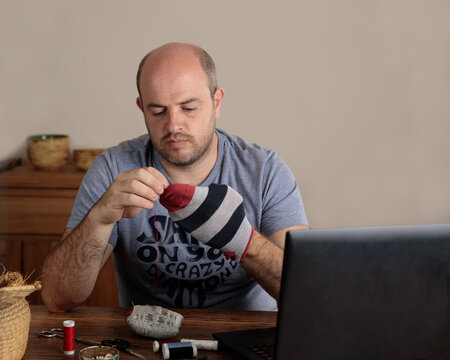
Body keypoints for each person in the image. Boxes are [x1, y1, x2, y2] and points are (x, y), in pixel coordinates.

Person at [41, 42, 309, 312]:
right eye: (157, 111)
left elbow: (307, 294)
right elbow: (58, 298)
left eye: (189, 108)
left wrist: (244, 241)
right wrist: (99, 219)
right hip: (145, 342)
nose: (173, 125)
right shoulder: (113, 168)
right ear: (141, 107)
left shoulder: (265, 171)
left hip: (244, 337)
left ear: (216, 102)